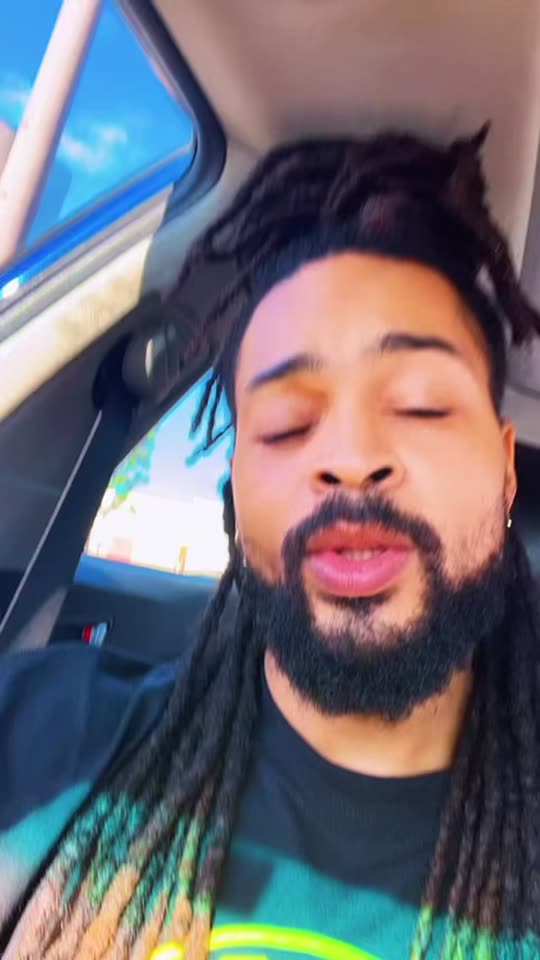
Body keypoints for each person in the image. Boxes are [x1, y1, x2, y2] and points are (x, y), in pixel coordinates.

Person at [1, 127, 540, 960]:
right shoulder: (39, 733)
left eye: (422, 406)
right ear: (232, 496)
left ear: (506, 471)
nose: (350, 458)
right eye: (287, 424)